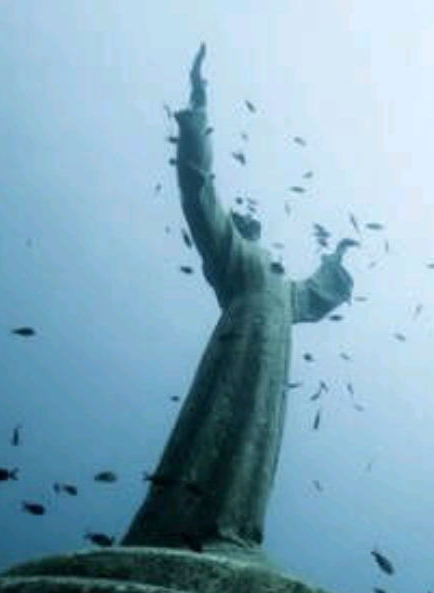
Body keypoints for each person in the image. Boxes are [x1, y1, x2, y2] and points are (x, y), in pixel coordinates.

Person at [121, 43, 358, 557]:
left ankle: (233, 525)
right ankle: (176, 525)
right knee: (214, 424)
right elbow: (198, 191)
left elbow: (314, 296)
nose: (245, 219)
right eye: (238, 218)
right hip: (236, 347)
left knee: (255, 436)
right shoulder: (232, 254)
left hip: (272, 365)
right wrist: (197, 110)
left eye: (250, 219)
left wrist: (336, 258)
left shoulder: (282, 285)